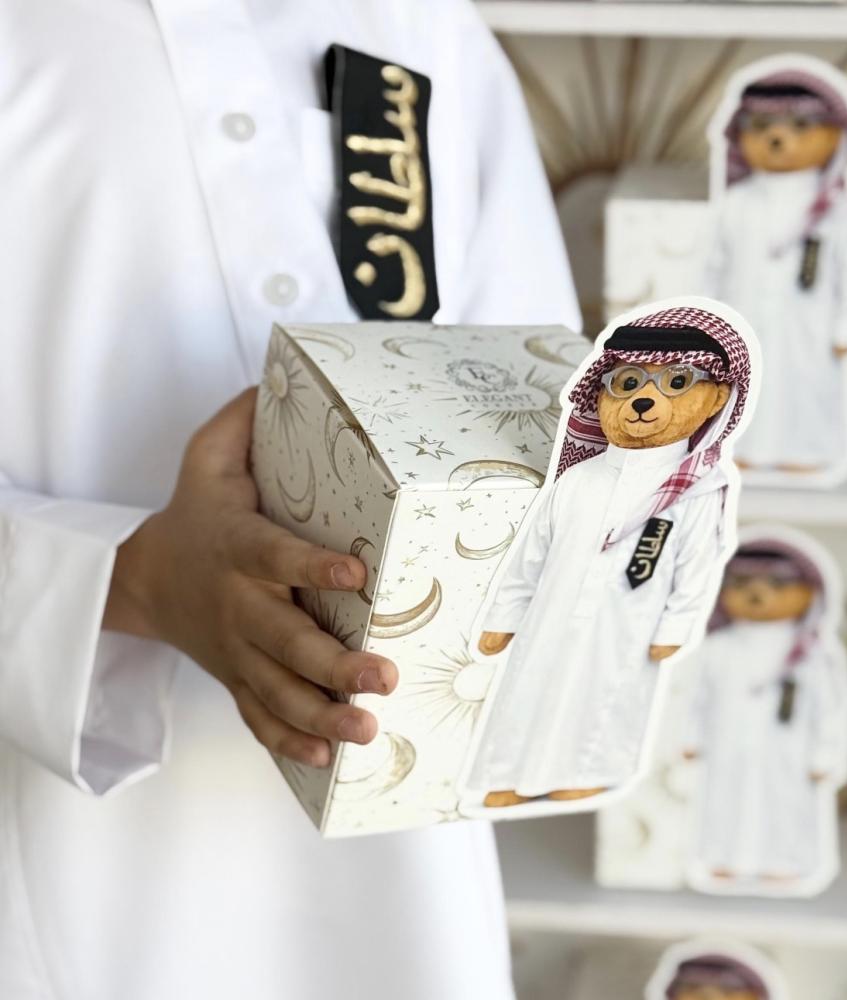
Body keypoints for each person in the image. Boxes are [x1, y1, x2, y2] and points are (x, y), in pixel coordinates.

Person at [0, 2, 579, 998]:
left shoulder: (422, 24)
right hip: (78, 876)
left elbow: (538, 405)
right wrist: (139, 582)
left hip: (409, 867)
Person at [465, 302, 757, 810]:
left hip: (630, 626)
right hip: (549, 618)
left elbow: (697, 566)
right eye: (628, 384)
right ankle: (508, 773)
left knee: (606, 694)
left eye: (676, 383)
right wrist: (504, 618)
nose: (644, 399)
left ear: (715, 398)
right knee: (531, 686)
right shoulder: (578, 479)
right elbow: (532, 555)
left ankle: (589, 773)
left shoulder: (698, 490)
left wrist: (674, 627)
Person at [706, 56, 847, 477]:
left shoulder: (837, 209)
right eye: (761, 126)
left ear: (833, 135)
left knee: (806, 385)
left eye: (800, 126)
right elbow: (712, 265)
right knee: (749, 385)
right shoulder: (736, 203)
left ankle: (807, 450)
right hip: (743, 319)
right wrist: (709, 322)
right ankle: (744, 447)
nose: (777, 137)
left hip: (812, 327)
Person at [683, 536, 847, 892]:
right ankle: (724, 859)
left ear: (809, 593)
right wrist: (690, 739)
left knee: (784, 804)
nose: (757, 593)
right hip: (726, 745)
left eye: (777, 583)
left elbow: (833, 707)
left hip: (789, 751)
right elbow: (693, 699)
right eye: (740, 583)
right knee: (725, 801)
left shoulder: (813, 652)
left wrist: (826, 754)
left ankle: (783, 862)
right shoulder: (717, 648)